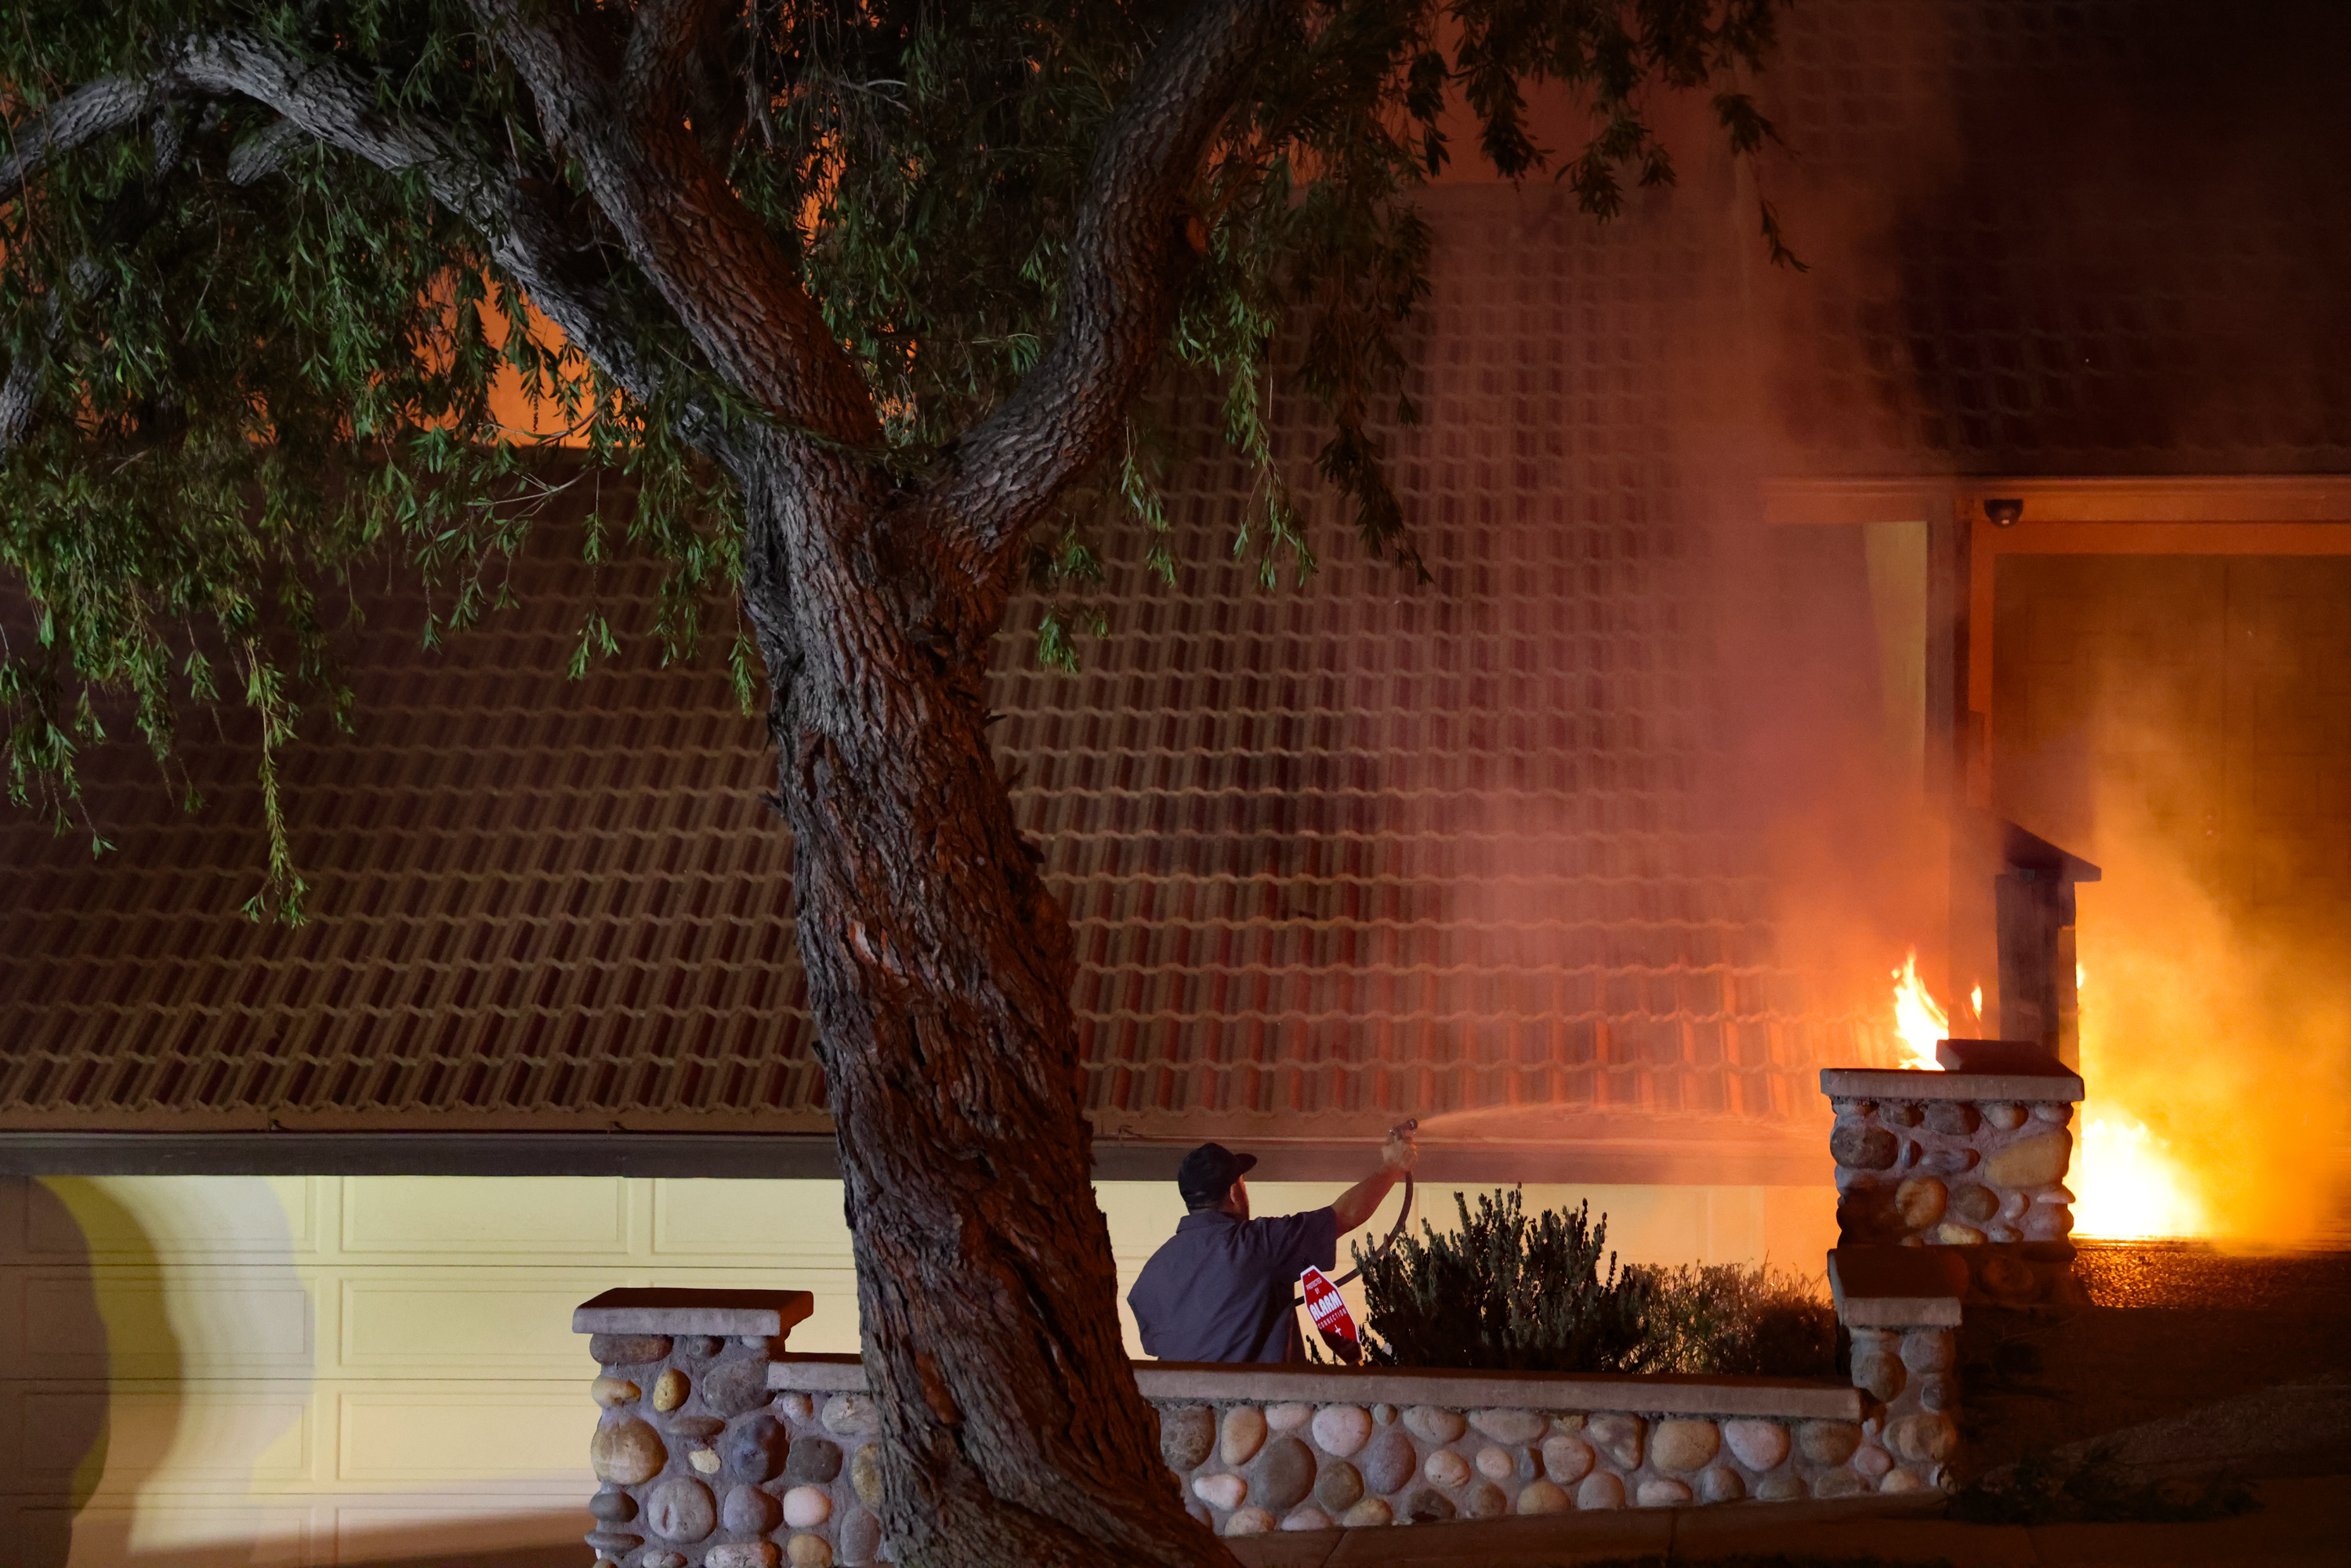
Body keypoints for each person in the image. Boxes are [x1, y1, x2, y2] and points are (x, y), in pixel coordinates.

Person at [1127, 1124, 1418, 1363]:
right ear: (1234, 1191)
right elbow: (1346, 1215)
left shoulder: (1151, 1275)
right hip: (1264, 1417)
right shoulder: (1258, 1244)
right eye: (1242, 1183)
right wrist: (1392, 1167)